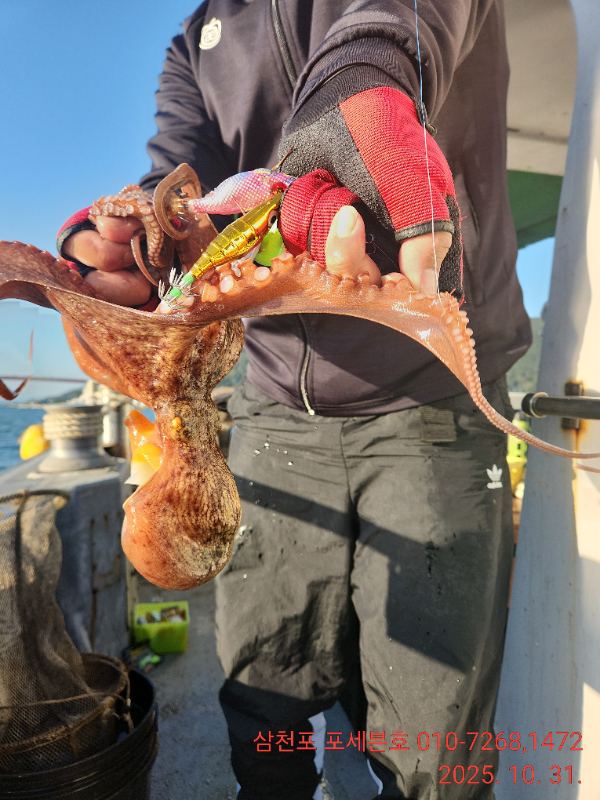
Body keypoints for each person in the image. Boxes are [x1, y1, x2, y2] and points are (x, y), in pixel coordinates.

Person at [58, 2, 531, 798]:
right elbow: (181, 178)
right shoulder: (198, 40)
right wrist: (132, 242)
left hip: (431, 404)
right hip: (275, 408)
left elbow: (406, 17)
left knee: (432, 741)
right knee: (265, 705)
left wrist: (363, 73)